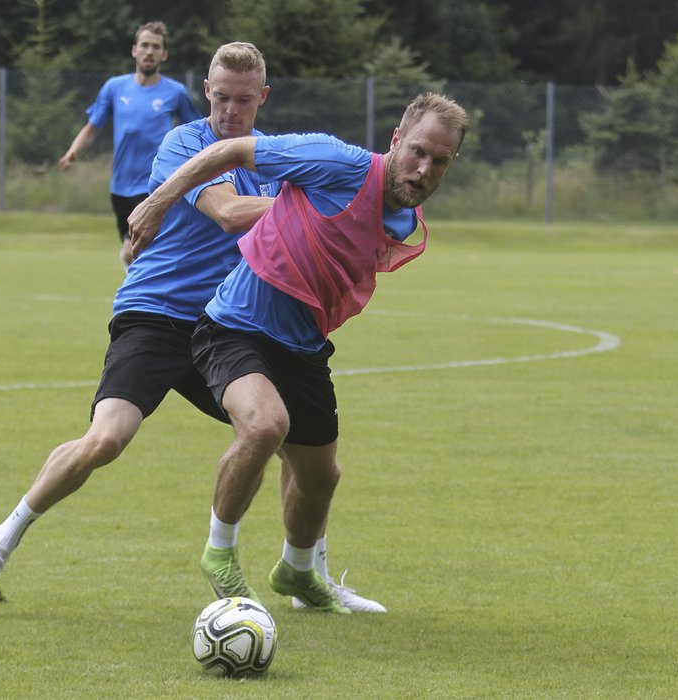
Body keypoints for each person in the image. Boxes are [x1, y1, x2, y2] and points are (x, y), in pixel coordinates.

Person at [0, 42, 384, 614]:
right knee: (106, 439)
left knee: (298, 450)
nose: (231, 110)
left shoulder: (270, 159)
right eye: (221, 96)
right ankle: (2, 539)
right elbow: (231, 213)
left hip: (227, 325)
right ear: (205, 91)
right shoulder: (185, 144)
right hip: (156, 315)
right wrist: (321, 205)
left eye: (244, 99)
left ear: (263, 97)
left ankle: (309, 576)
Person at [128, 93, 468, 613]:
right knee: (265, 426)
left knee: (320, 476)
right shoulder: (337, 160)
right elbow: (234, 151)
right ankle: (219, 554)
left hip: (304, 346)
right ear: (396, 140)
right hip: (233, 326)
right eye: (418, 151)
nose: (424, 169)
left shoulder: (404, 220)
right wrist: (158, 202)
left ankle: (298, 573)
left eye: (439, 160)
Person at [59, 21, 203, 268]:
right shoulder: (115, 88)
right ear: (134, 50)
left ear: (164, 54)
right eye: (145, 45)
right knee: (134, 253)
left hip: (155, 184)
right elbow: (93, 127)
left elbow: (198, 131)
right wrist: (73, 151)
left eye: (155, 47)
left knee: (134, 250)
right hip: (120, 188)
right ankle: (143, 295)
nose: (149, 51)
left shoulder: (175, 92)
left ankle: (140, 300)